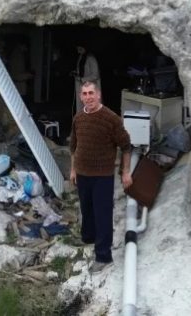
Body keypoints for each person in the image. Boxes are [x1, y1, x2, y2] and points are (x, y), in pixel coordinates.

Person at [69, 80, 132, 273]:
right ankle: (88, 238)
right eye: (84, 94)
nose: (88, 97)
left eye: (91, 93)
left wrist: (126, 172)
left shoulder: (111, 118)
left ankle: (103, 256)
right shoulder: (78, 118)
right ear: (81, 97)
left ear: (98, 95)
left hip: (102, 175)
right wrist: (73, 170)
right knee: (86, 209)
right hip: (82, 173)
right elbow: (73, 147)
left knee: (102, 214)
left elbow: (127, 146)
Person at [72, 46, 100, 116]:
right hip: (81, 85)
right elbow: (80, 70)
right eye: (77, 49)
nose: (78, 51)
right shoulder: (81, 57)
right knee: (81, 106)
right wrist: (76, 73)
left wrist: (83, 79)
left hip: (90, 87)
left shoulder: (91, 58)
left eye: (80, 48)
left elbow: (95, 75)